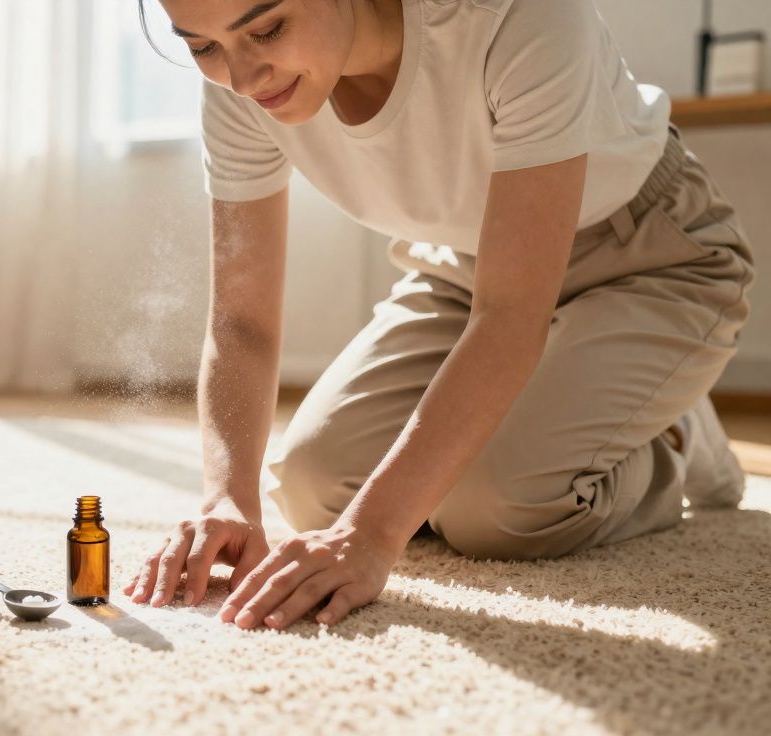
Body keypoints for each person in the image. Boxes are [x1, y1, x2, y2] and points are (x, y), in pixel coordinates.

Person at [123, 0, 756, 631]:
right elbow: (242, 322)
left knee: (499, 508)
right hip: (467, 268)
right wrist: (227, 499)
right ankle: (588, 404)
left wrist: (370, 536)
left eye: (267, 29)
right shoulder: (240, 94)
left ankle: (673, 432)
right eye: (201, 47)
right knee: (316, 487)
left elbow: (510, 314)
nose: (241, 78)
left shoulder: (519, 16)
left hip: (649, 257)